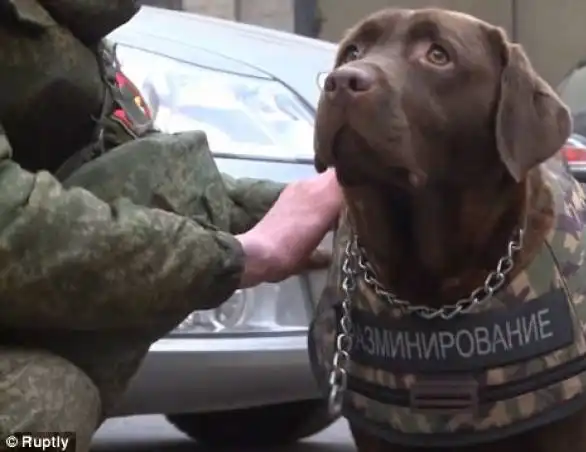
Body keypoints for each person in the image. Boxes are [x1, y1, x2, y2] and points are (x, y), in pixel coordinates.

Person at [0, 1, 340, 450]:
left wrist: (304, 209)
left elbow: (150, 170)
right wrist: (237, 258)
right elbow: (13, 228)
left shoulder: (67, 32)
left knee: (54, 404)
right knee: (37, 413)